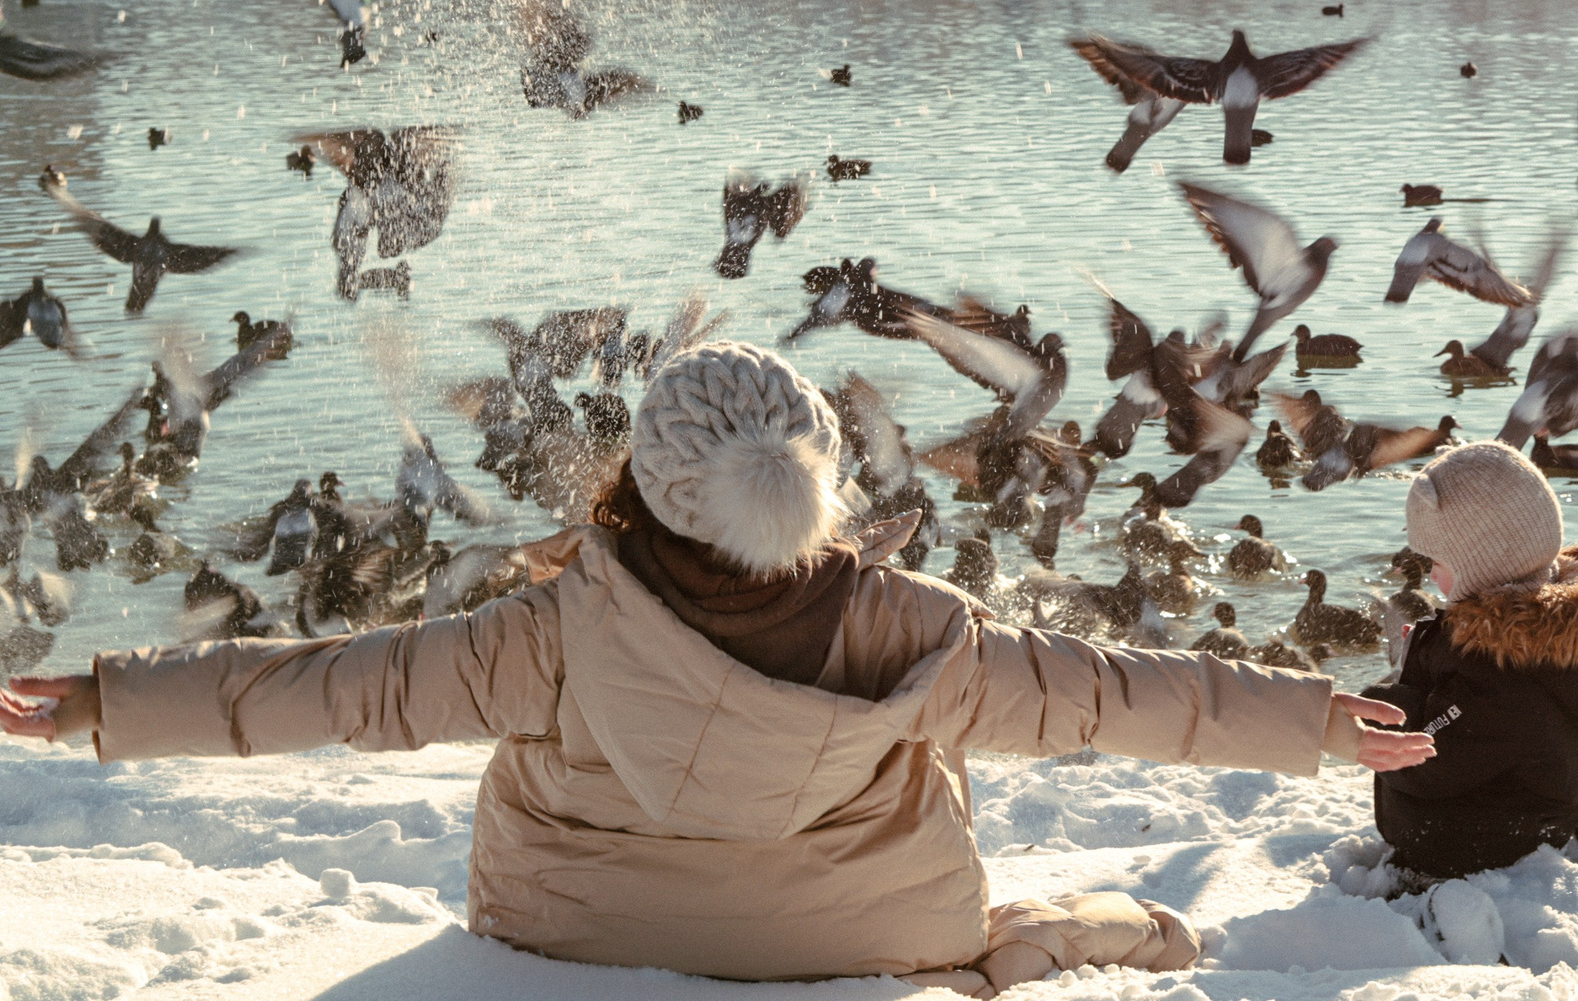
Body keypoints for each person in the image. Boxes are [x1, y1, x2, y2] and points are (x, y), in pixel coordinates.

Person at [1, 341, 1431, 995]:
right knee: (1027, 908)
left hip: (573, 936)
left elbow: (335, 687)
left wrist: (100, 701)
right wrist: (1315, 723)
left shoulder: (551, 629)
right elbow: (1121, 698)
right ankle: (1119, 938)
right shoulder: (919, 635)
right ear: (818, 476)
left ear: (651, 483)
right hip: (867, 941)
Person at [1359, 440, 1578, 882]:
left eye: (1437, 560)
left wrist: (1386, 698)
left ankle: (1430, 893)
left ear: (1484, 561)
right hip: (1544, 808)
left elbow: (1423, 762)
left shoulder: (1493, 666)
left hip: (1465, 842)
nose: (1429, 575)